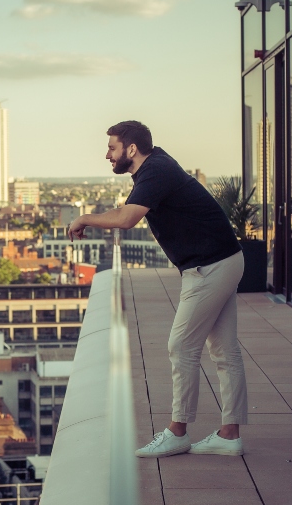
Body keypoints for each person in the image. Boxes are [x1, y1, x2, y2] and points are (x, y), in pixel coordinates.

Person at [67, 120, 249, 457]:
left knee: (181, 346)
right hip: (223, 259)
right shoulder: (156, 166)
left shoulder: (156, 170)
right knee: (225, 350)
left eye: (111, 148)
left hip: (209, 266)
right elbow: (127, 211)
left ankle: (178, 431)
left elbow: (126, 219)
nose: (107, 155)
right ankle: (229, 435)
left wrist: (85, 218)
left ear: (131, 148)